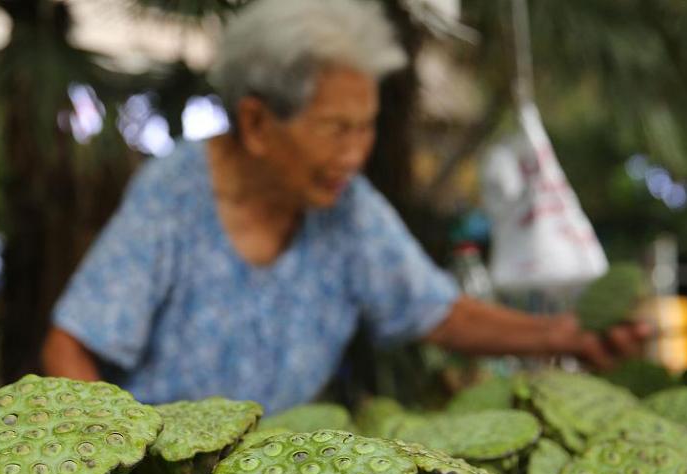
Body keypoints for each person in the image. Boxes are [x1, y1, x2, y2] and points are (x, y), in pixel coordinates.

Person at [42, 0, 645, 413]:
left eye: (367, 129)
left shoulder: (348, 207)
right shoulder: (174, 193)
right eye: (336, 129)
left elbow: (438, 310)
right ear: (255, 122)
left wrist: (560, 336)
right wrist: (119, 470)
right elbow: (70, 344)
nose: (355, 154)